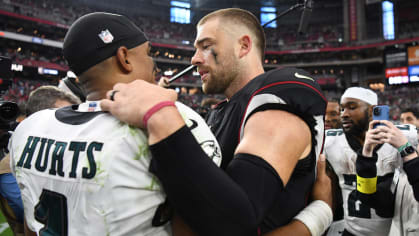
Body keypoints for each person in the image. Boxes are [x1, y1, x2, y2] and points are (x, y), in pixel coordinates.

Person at [101, 8, 332, 236]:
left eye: (206, 46)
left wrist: (159, 114)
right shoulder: (221, 112)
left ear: (243, 46)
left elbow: (232, 225)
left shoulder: (276, 101)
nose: (194, 59)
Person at [9, 12, 221, 236]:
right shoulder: (167, 118)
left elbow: (31, 224)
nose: (154, 65)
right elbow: (198, 220)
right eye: (149, 53)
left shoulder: (30, 128)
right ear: (124, 57)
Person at [324, 87, 418, 236]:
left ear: (371, 110)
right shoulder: (330, 141)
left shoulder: (405, 136)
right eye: (342, 109)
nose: (345, 114)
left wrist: (405, 148)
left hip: (394, 230)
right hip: (351, 230)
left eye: (352, 107)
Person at [356, 119, 419, 236]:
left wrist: (407, 151)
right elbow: (369, 197)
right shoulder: (404, 175)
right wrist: (367, 154)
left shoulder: (413, 169)